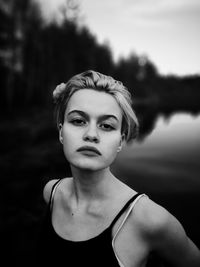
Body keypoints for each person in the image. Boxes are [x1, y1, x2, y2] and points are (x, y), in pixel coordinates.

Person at [37, 70, 200, 266]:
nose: (91, 134)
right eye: (78, 121)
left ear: (121, 140)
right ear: (61, 131)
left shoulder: (149, 219)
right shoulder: (52, 193)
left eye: (106, 125)